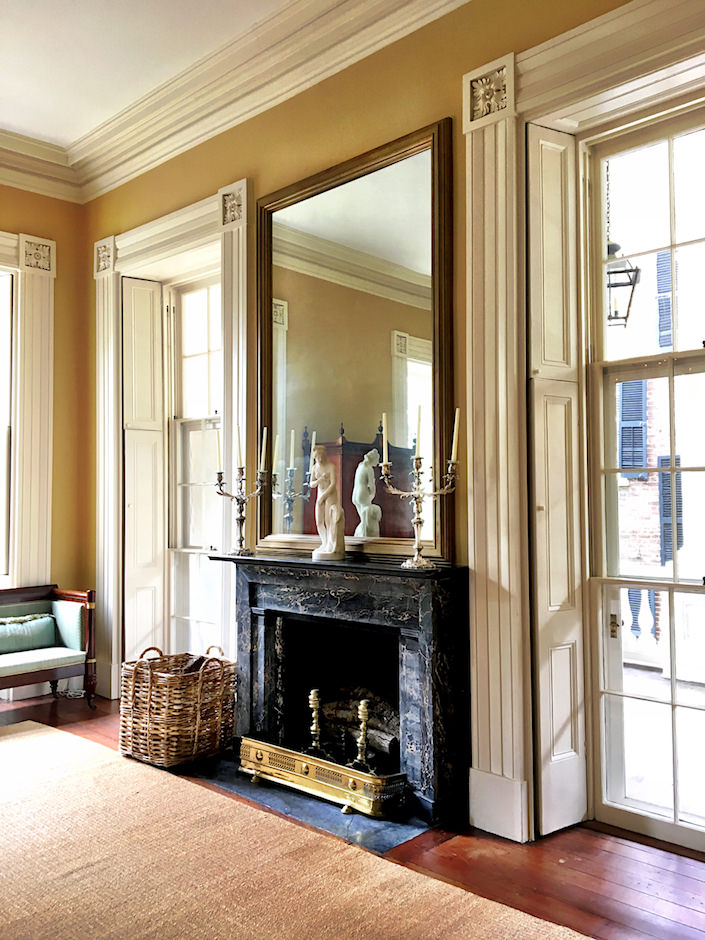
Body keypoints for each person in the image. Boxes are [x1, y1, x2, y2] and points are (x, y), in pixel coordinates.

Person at [309, 444, 345, 559]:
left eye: (321, 456)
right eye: (317, 457)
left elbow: (333, 484)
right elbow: (311, 484)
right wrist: (319, 480)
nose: (319, 459)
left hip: (330, 495)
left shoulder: (331, 467)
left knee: (329, 521)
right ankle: (324, 543)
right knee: (319, 521)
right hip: (320, 495)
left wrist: (324, 496)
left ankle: (330, 544)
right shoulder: (315, 468)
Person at [352, 448, 382, 538]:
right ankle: (365, 535)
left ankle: (360, 535)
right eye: (377, 460)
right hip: (363, 494)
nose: (377, 463)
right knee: (366, 519)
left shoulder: (360, 466)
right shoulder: (369, 468)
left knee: (363, 519)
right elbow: (371, 485)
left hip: (355, 494)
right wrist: (372, 494)